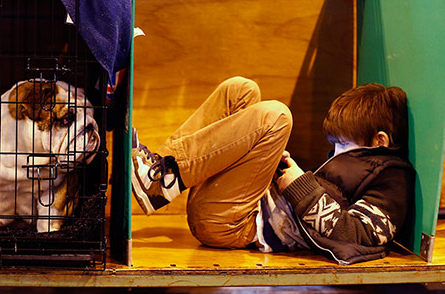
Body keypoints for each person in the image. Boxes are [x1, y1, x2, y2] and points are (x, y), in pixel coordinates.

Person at [131, 77, 415, 265]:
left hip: (236, 225)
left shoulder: (392, 180)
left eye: (342, 143)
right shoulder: (360, 163)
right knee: (240, 90)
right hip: (239, 205)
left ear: (380, 141)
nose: (337, 151)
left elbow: (357, 235)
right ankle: (161, 176)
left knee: (276, 116)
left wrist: (299, 185)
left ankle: (165, 179)